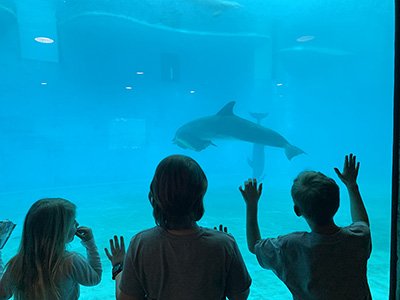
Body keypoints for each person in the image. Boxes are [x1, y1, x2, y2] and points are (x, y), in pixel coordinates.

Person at [105, 154, 251, 300]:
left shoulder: (140, 244)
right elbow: (240, 296)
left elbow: (125, 299)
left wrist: (119, 267)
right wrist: (220, 249)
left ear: (155, 195)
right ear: (200, 194)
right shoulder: (224, 244)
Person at [239, 153, 372, 300]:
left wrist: (251, 205)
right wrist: (352, 186)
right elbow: (362, 223)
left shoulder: (289, 246)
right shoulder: (358, 237)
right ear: (337, 205)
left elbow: (254, 246)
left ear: (297, 210)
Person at [0, 198, 102, 300]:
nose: (77, 224)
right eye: (73, 221)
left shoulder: (17, 263)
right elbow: (95, 278)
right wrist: (90, 244)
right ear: (61, 231)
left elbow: (2, 294)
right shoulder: (71, 261)